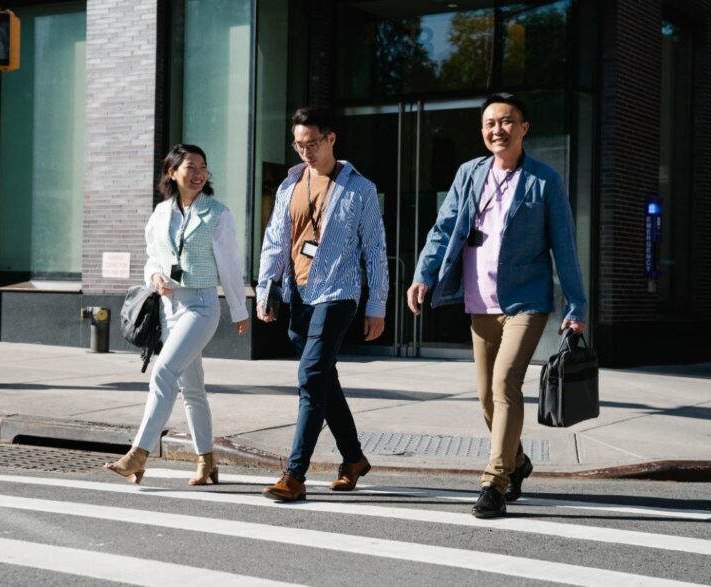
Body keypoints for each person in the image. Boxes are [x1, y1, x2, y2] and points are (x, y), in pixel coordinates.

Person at [406, 93, 587, 518]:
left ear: (524, 128)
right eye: (489, 123)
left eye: (506, 122)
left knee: (506, 384)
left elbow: (563, 244)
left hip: (526, 299)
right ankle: (519, 459)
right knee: (487, 398)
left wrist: (576, 304)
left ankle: (495, 481)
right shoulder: (469, 173)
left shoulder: (543, 180)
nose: (497, 130)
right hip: (479, 301)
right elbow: (444, 227)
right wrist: (422, 274)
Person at [255, 107, 389, 501]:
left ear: (331, 139)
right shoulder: (289, 186)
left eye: (312, 143)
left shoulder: (359, 188)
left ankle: (294, 474)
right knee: (323, 379)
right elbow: (275, 242)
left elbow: (375, 249)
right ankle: (354, 459)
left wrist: (376, 304)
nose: (305, 152)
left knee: (310, 378)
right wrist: (267, 289)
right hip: (298, 293)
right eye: (299, 144)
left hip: (339, 292)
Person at [104, 144, 248, 486]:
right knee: (193, 388)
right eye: (191, 167)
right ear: (172, 172)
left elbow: (230, 265)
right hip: (169, 308)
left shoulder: (217, 213)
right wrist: (154, 276)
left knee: (163, 373)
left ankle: (139, 453)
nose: (199, 173)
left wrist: (239, 309)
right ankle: (207, 461)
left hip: (201, 305)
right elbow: (152, 257)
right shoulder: (161, 213)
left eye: (203, 167)